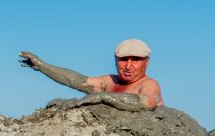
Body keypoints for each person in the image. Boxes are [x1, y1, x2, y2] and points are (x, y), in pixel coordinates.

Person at [18, 39, 163, 111]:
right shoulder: (109, 82)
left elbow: (148, 102)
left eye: (136, 60)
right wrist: (42, 66)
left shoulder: (148, 84)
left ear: (147, 63)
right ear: (115, 60)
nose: (128, 66)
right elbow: (76, 80)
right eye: (124, 60)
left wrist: (103, 96)